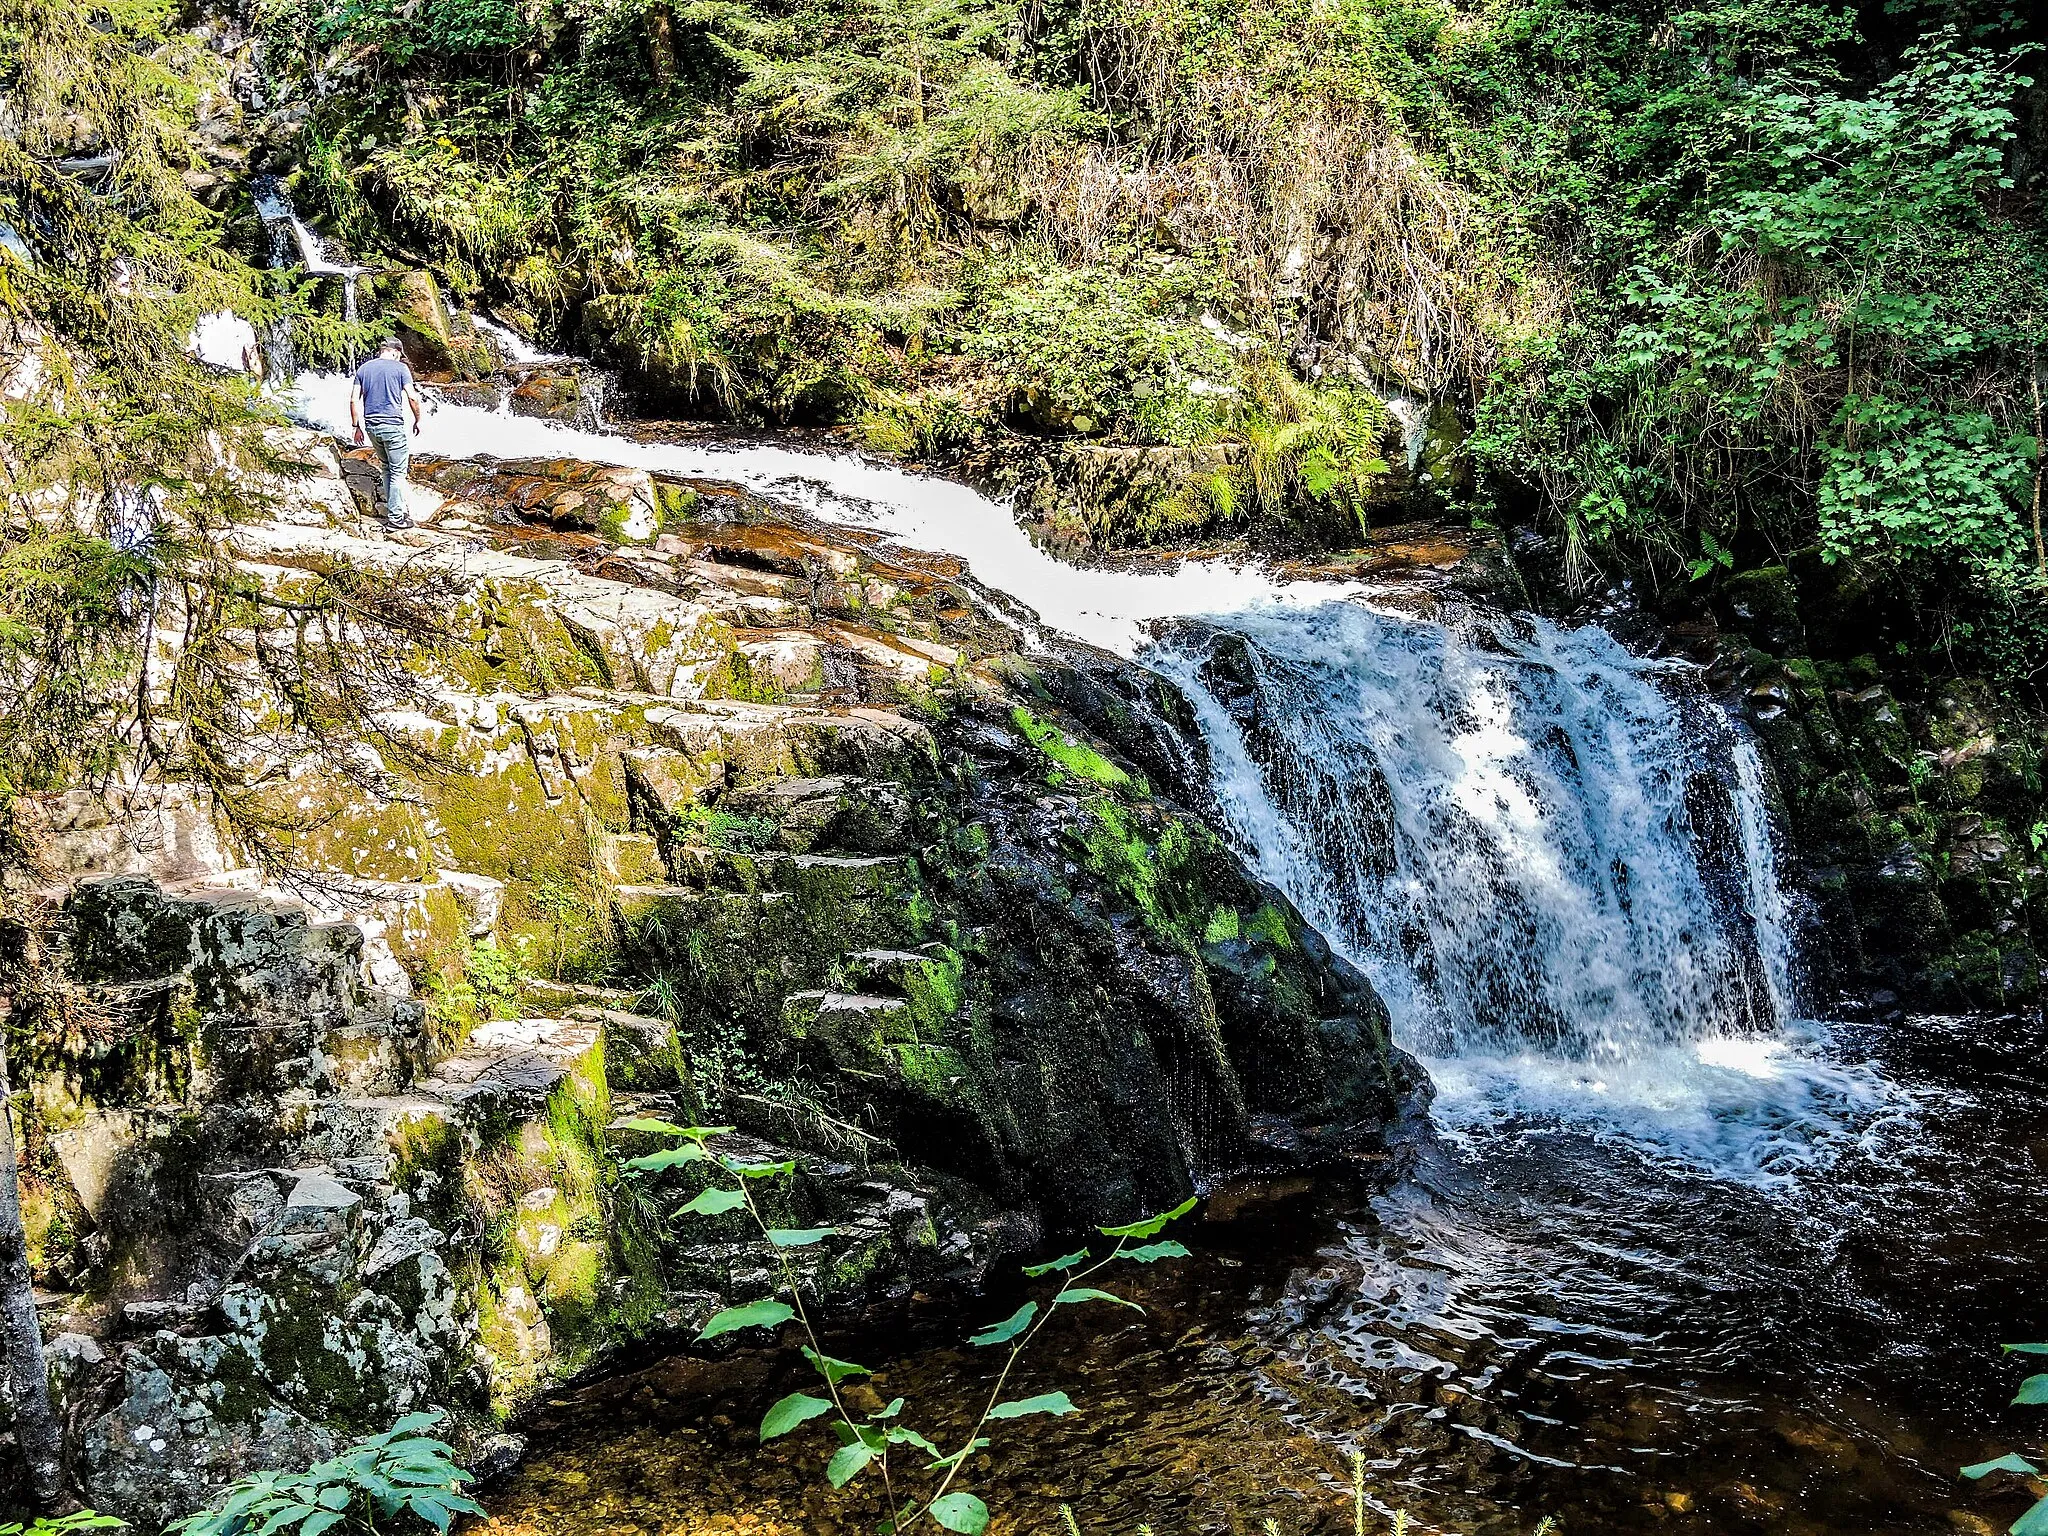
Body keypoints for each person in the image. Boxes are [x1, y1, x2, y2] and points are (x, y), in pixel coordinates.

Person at [350, 337, 423, 530]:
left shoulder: (364, 369)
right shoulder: (400, 369)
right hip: (392, 426)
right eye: (400, 355)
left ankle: (394, 511)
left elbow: (353, 400)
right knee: (398, 472)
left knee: (386, 468)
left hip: (372, 427)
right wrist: (417, 419)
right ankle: (396, 518)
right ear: (395, 352)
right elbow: (412, 397)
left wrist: (356, 426)